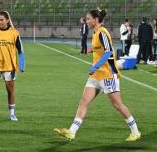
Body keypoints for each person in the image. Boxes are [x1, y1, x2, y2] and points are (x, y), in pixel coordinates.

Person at [54, 8, 141, 142]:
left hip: (107, 75)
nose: (86, 21)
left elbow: (108, 52)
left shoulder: (102, 33)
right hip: (96, 76)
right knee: (83, 101)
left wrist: (96, 66)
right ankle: (72, 131)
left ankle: (135, 131)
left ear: (95, 20)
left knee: (118, 105)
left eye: (88, 19)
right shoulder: (95, 33)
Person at [0, 11, 25, 122]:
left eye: (1, 19)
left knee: (10, 90)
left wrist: (22, 64)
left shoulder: (14, 33)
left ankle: (12, 114)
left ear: (7, 20)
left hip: (9, 67)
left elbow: (20, 50)